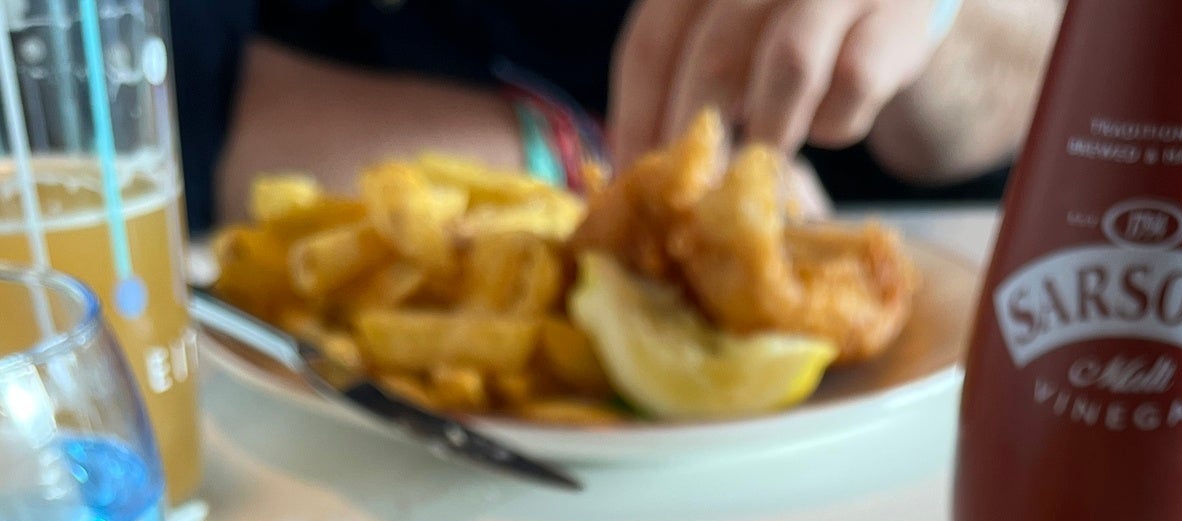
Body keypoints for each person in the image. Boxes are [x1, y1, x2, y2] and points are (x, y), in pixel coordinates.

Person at [173, 0, 1064, 232]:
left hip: (899, 444)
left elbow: (1056, 66)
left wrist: (936, 26)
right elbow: (128, 79)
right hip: (332, 430)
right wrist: (588, 164)